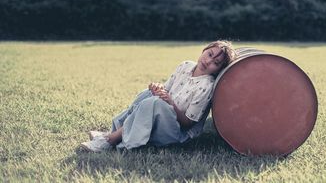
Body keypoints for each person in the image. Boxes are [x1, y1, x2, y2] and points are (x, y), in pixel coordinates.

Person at [80, 40, 236, 152]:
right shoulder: (185, 66)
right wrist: (157, 88)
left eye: (215, 63)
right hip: (162, 116)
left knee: (154, 103)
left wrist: (170, 103)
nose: (208, 61)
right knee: (147, 94)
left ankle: (110, 140)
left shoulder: (206, 86)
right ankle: (115, 132)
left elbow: (188, 123)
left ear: (217, 70)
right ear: (204, 49)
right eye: (209, 54)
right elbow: (165, 88)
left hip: (177, 133)